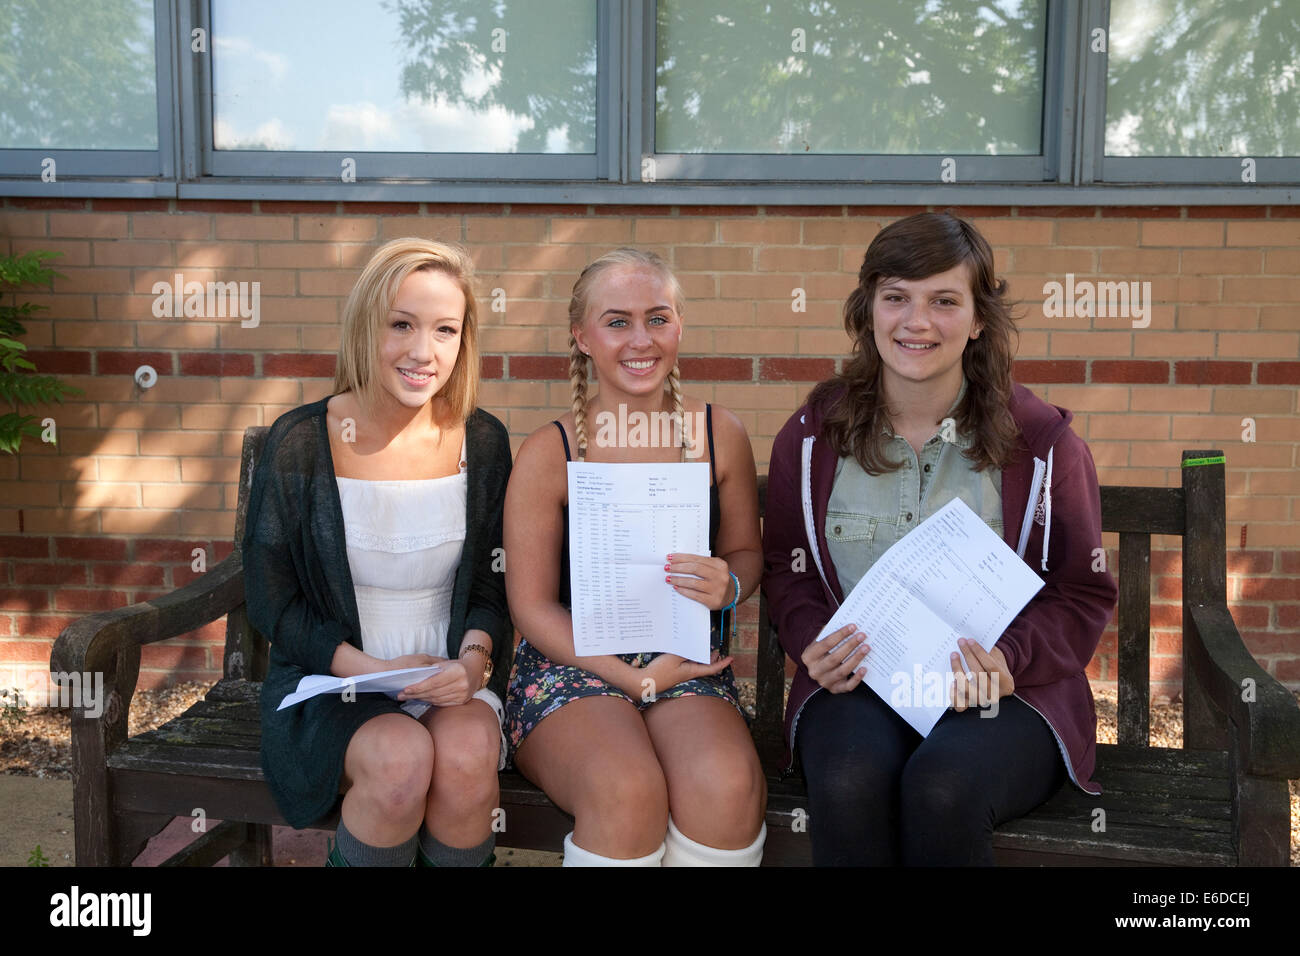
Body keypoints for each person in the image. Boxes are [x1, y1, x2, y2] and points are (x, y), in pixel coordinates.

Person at [762, 211, 1117, 866]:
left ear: (978, 318)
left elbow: (1081, 594)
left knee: (943, 788)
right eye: (895, 296)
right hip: (860, 682)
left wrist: (1010, 661)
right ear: (868, 307)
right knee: (846, 779)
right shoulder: (812, 437)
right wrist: (813, 641)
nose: (916, 322)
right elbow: (790, 573)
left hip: (1008, 694)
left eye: (944, 301)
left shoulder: (1041, 445)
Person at [243, 237, 512, 867]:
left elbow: (492, 586)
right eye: (402, 325)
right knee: (399, 763)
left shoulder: (484, 441)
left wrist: (472, 665)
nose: (424, 352)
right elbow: (271, 601)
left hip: (446, 674)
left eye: (445, 330)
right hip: (330, 676)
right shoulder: (302, 443)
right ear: (368, 326)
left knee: (469, 760)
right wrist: (366, 670)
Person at [504, 248, 767, 866]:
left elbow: (747, 552)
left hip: (683, 658)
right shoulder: (552, 450)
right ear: (582, 337)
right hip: (569, 663)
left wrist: (729, 584)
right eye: (617, 321)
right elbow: (530, 605)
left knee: (726, 788)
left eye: (658, 318)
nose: (640, 339)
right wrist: (631, 679)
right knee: (626, 789)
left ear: (680, 326)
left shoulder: (715, 433)